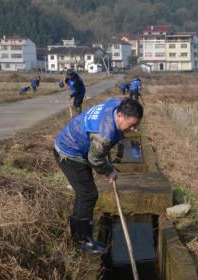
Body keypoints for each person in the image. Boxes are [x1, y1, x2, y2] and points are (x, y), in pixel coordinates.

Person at [53, 98, 144, 254]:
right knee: (88, 194)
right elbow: (95, 159)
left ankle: (77, 234)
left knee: (84, 193)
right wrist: (109, 171)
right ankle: (82, 241)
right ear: (120, 115)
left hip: (76, 144)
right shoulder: (104, 135)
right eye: (131, 125)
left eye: (137, 125)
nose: (134, 129)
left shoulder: (115, 104)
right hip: (69, 152)